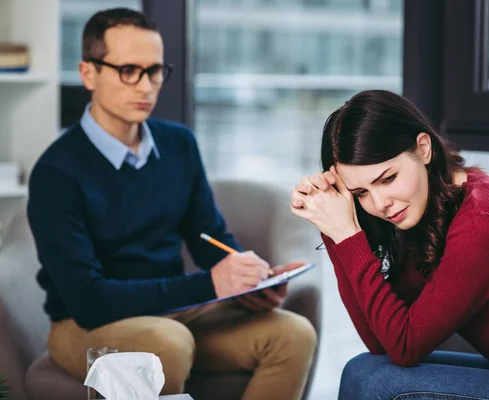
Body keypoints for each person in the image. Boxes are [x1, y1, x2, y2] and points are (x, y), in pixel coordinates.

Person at [27, 8, 316, 399]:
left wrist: (249, 280)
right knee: (167, 343)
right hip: (85, 323)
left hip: (176, 313)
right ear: (88, 73)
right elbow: (88, 301)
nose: (146, 86)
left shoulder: (179, 144)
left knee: (294, 334)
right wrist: (211, 283)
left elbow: (208, 238)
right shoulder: (56, 172)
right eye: (129, 70)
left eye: (156, 70)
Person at [291, 89, 489, 400]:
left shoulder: (483, 219)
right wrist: (334, 230)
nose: (379, 204)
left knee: (377, 384)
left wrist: (347, 235)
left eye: (387, 179)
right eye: (360, 193)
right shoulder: (427, 213)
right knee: (362, 368)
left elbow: (405, 347)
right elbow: (381, 342)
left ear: (423, 148)